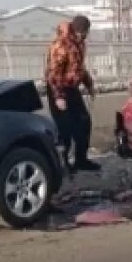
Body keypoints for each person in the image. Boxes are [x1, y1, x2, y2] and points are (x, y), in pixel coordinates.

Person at [45, 15, 100, 172]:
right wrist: (59, 97)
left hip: (72, 88)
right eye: (83, 33)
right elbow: (53, 73)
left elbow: (79, 68)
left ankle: (81, 160)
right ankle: (62, 163)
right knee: (65, 127)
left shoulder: (79, 44)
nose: (85, 36)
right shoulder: (61, 44)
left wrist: (89, 84)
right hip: (58, 88)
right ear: (77, 31)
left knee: (84, 122)